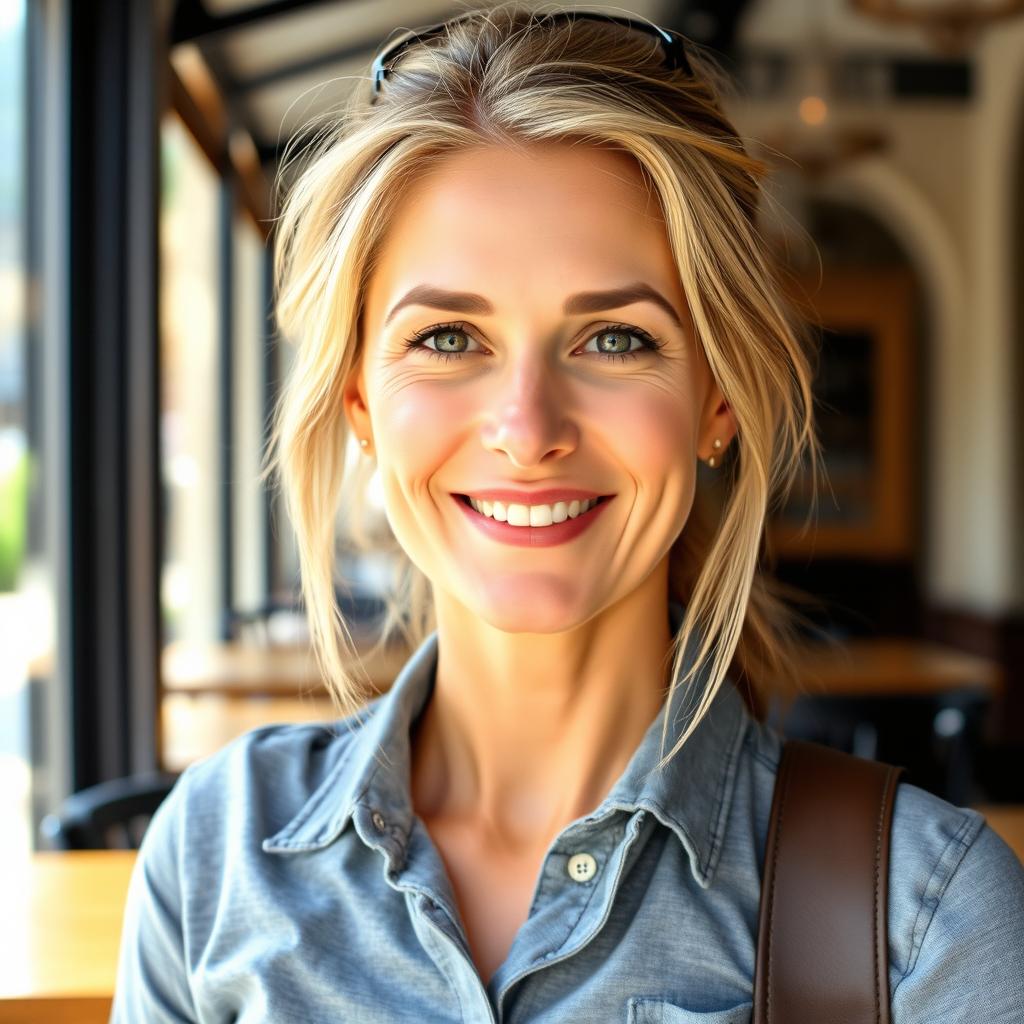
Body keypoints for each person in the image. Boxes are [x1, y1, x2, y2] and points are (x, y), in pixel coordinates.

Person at [110, 5, 1024, 1021]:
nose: (527, 426)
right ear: (361, 402)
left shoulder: (926, 923)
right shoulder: (213, 856)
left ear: (718, 398)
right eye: (449, 337)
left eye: (616, 338)